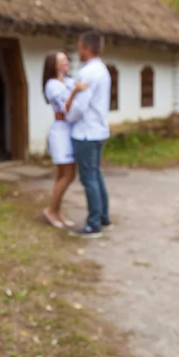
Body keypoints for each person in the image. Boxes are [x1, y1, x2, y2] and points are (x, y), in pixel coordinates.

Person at [61, 31, 113, 239]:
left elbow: (79, 107)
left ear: (87, 48)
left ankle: (93, 223)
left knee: (89, 177)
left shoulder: (88, 73)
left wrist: (67, 117)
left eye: (80, 47)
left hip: (85, 132)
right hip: (98, 129)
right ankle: (103, 216)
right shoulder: (103, 70)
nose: (78, 51)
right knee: (96, 174)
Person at [42, 51, 88, 228]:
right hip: (61, 131)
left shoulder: (68, 81)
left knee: (64, 174)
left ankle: (56, 211)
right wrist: (76, 91)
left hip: (71, 129)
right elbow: (66, 107)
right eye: (62, 60)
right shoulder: (52, 85)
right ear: (54, 65)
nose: (66, 62)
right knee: (68, 174)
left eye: (66, 59)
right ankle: (51, 210)